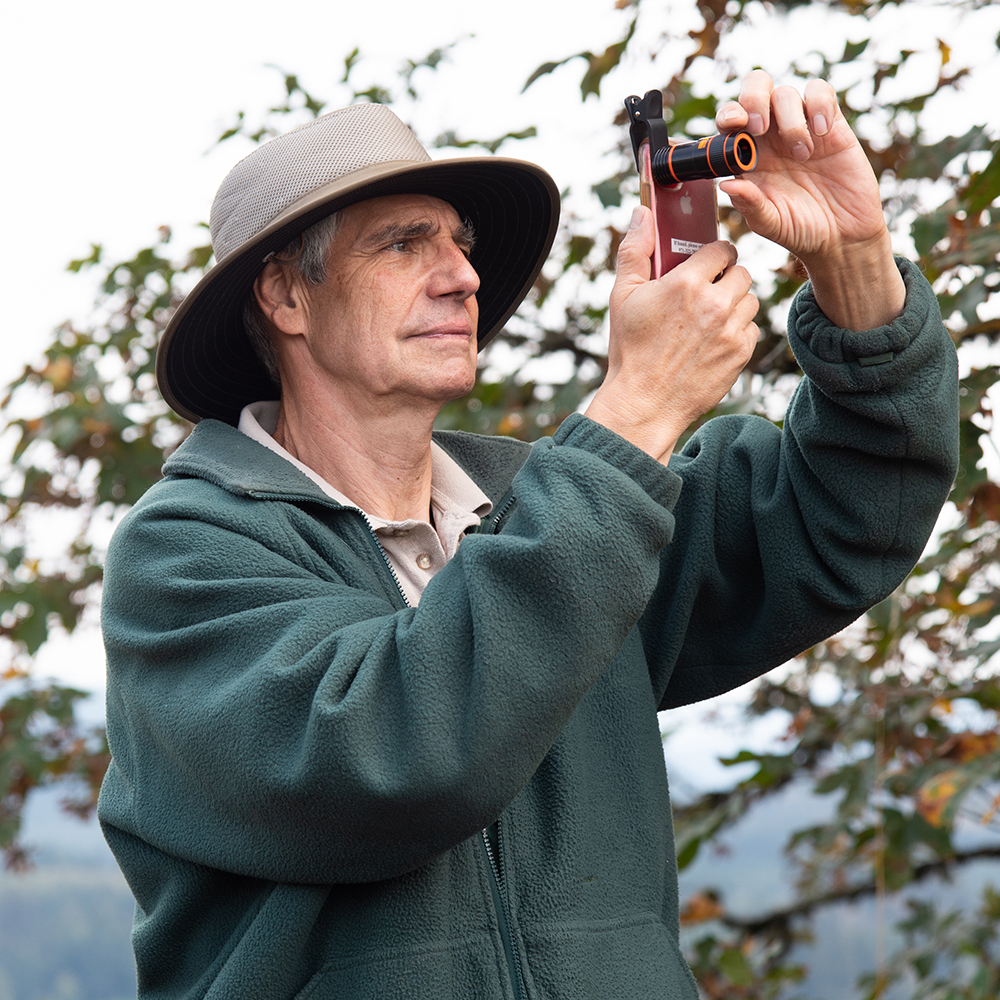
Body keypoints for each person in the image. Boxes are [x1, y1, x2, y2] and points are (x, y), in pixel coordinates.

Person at [98, 72, 958, 999]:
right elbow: (401, 756)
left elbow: (848, 513)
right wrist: (638, 409)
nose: (463, 273)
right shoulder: (183, 555)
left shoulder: (550, 505)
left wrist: (856, 258)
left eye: (460, 245)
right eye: (403, 243)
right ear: (286, 298)